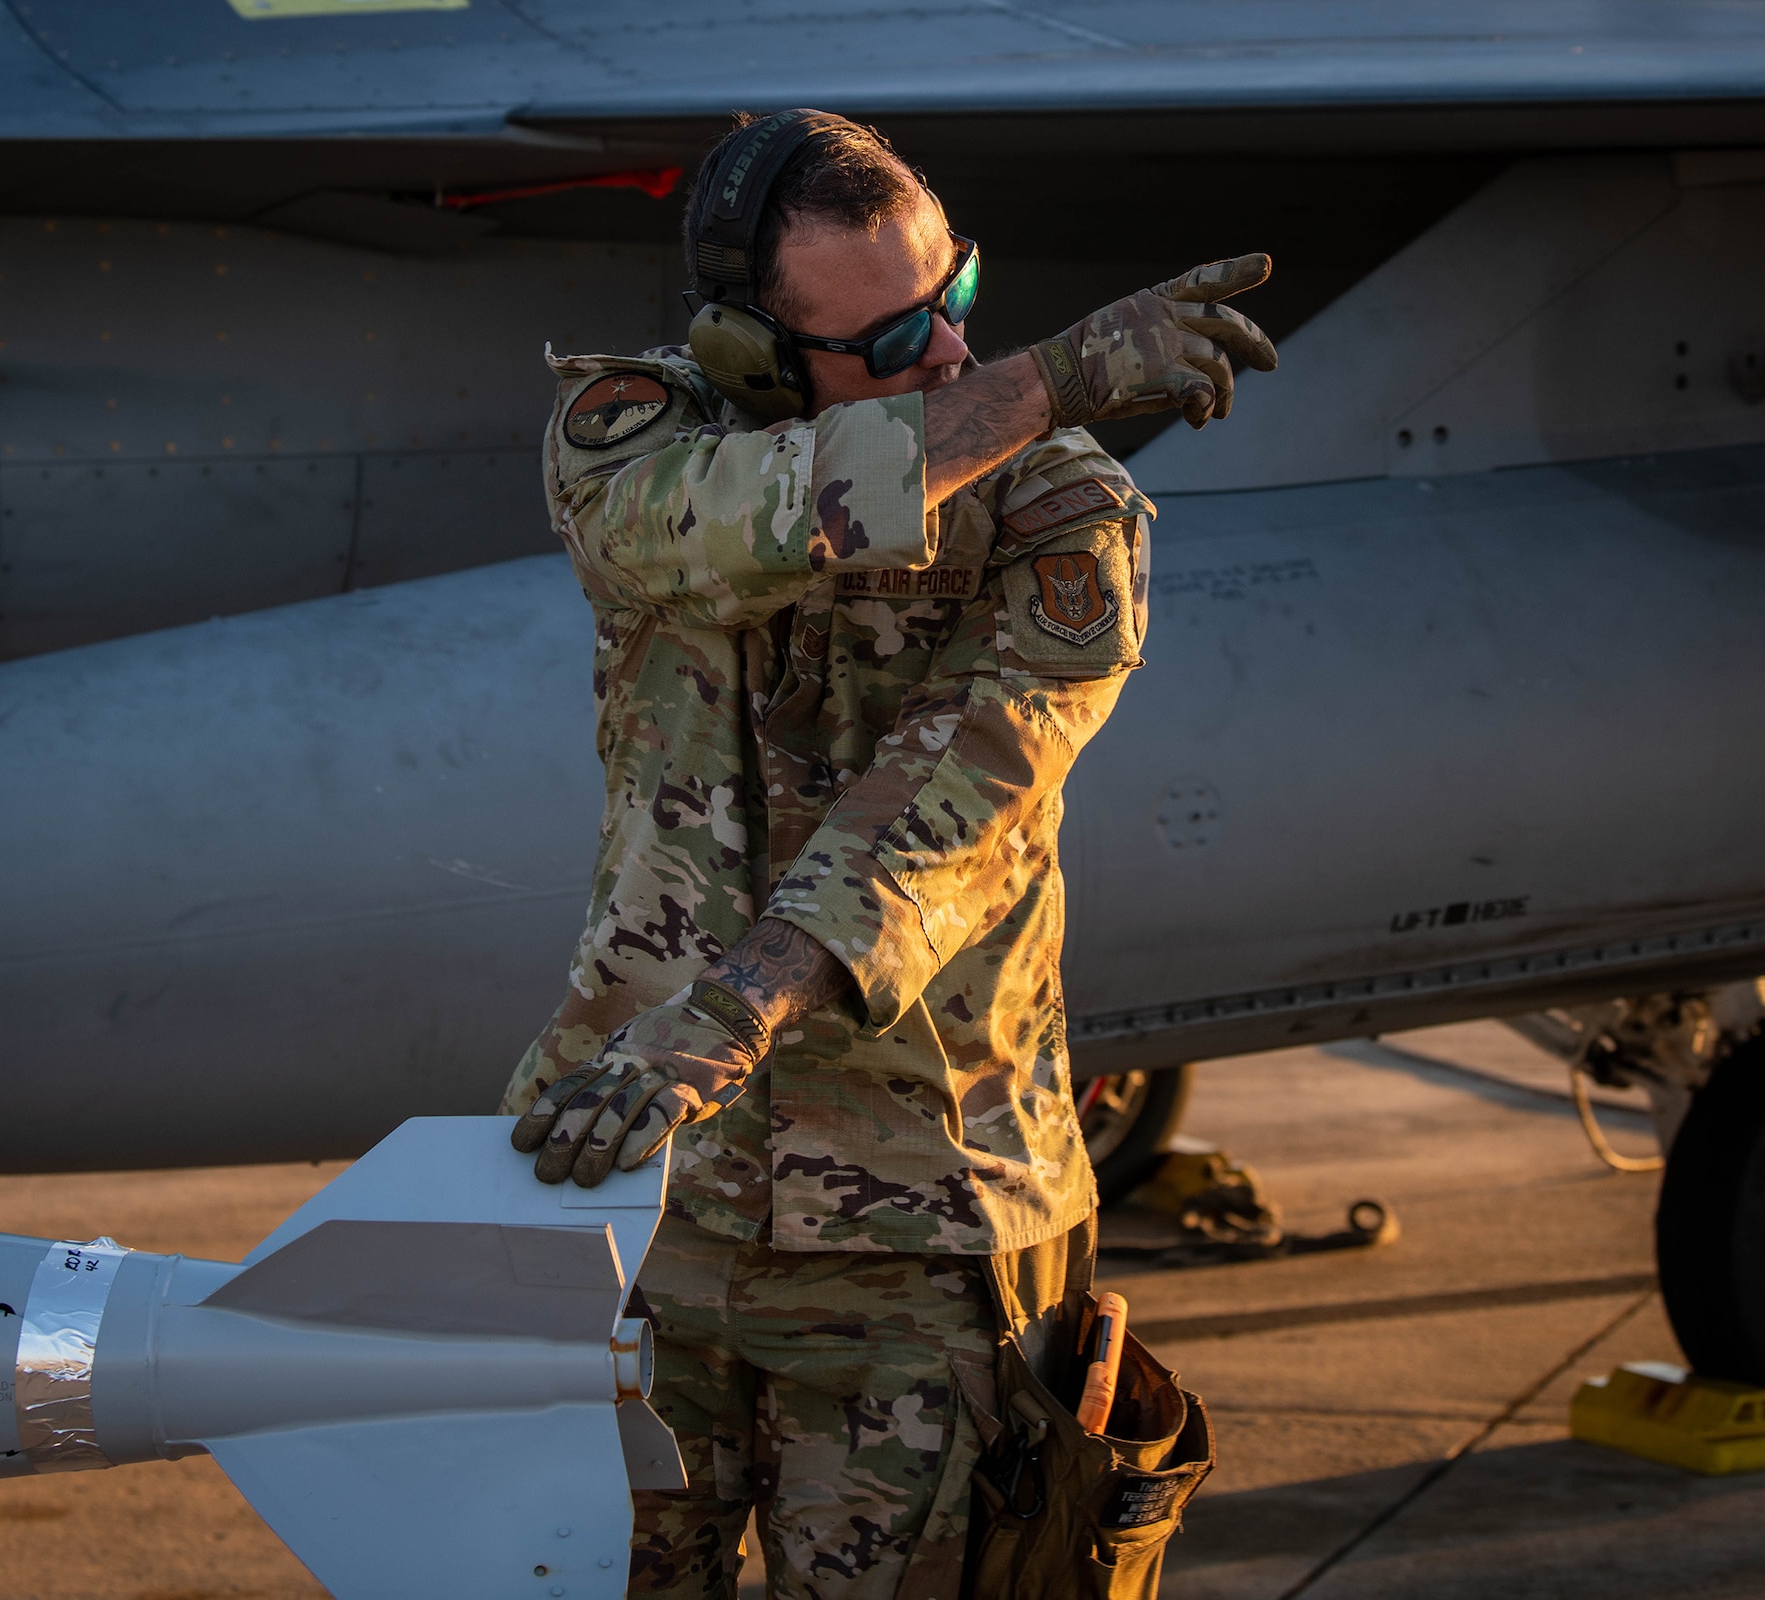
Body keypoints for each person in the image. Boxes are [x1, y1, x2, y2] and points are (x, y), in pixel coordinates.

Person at [503, 108, 1275, 1599]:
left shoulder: (1064, 508)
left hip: (924, 1240)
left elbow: (943, 819)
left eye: (962, 302)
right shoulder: (634, 442)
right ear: (751, 358)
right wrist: (1051, 376)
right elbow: (719, 521)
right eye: (898, 334)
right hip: (633, 1207)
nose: (947, 360)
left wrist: (721, 1022)